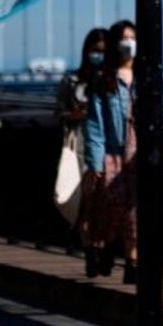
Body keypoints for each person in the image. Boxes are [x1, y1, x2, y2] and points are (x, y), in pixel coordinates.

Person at [83, 19, 140, 284]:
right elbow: (94, 124)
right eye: (124, 38)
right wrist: (95, 162)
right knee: (113, 208)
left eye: (133, 37)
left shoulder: (145, 77)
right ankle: (103, 247)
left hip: (137, 155)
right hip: (112, 154)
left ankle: (132, 262)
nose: (129, 43)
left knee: (134, 212)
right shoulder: (103, 81)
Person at [56, 28, 107, 277]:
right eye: (95, 50)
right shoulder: (72, 81)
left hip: (109, 148)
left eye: (103, 51)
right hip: (80, 148)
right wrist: (74, 115)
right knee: (86, 205)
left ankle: (101, 249)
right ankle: (91, 253)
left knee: (105, 203)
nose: (99, 55)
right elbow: (58, 112)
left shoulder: (113, 80)